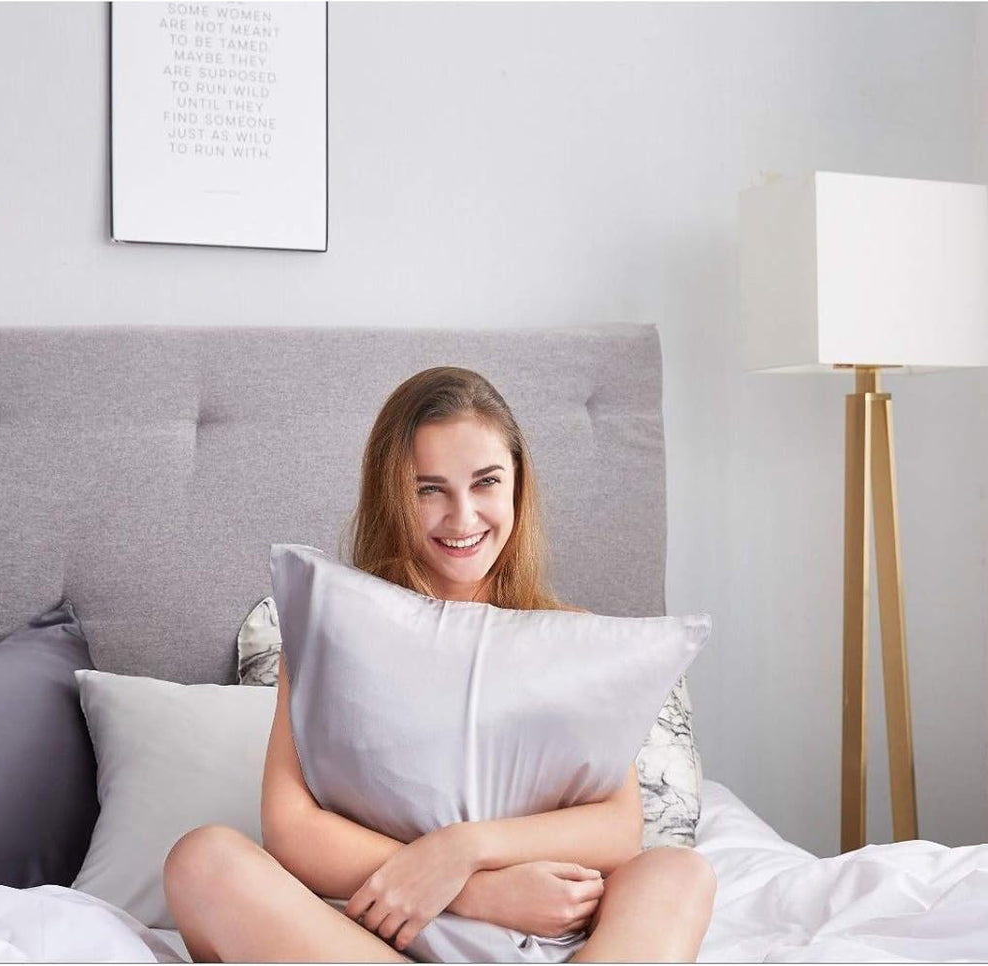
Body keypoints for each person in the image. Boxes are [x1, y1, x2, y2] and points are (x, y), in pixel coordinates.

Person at [163, 366, 717, 962]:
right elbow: (290, 827)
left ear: (517, 486)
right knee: (203, 860)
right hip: (380, 928)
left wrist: (463, 850)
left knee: (679, 873)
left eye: (485, 483)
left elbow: (617, 827)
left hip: (548, 928)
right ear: (391, 496)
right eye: (430, 489)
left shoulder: (571, 634)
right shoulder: (331, 630)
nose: (462, 518)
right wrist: (473, 893)